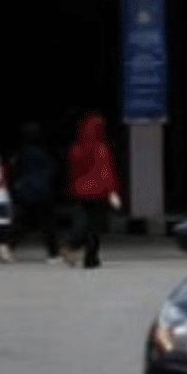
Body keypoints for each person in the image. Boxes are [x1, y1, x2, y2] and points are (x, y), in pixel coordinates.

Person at [65, 111, 121, 269]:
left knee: (82, 222)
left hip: (79, 191)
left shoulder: (75, 148)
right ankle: (91, 258)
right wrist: (112, 191)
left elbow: (73, 171)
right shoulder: (101, 148)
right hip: (99, 192)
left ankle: (72, 245)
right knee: (95, 227)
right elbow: (105, 171)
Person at [2, 121, 62, 264]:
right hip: (42, 190)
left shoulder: (21, 152)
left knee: (24, 221)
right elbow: (52, 169)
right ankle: (53, 254)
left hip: (26, 190)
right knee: (47, 224)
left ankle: (8, 245)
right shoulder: (43, 152)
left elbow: (14, 170)